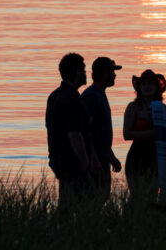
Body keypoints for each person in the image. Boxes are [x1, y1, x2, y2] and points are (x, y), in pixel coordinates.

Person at [45, 53, 100, 207]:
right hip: (73, 163)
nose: (85, 73)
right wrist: (85, 162)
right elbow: (75, 134)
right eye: (83, 70)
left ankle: (64, 229)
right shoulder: (72, 100)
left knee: (67, 203)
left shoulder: (54, 96)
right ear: (77, 73)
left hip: (58, 160)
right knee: (89, 203)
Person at [123, 69, 166, 197]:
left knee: (152, 195)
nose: (147, 87)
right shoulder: (133, 107)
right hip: (137, 156)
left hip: (156, 155)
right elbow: (126, 134)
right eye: (144, 84)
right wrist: (150, 133)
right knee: (136, 196)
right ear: (139, 87)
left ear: (156, 87)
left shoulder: (162, 108)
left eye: (150, 84)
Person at [81, 56, 123, 198]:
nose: (115, 75)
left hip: (102, 159)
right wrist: (93, 158)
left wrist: (111, 157)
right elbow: (85, 131)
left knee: (102, 197)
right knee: (93, 199)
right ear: (105, 73)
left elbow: (101, 133)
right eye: (112, 72)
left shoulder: (100, 95)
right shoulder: (91, 97)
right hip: (95, 162)